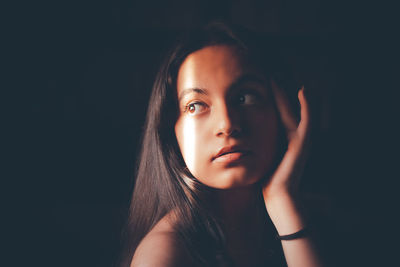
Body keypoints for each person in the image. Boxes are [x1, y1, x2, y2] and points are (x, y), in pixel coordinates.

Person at [119, 21, 323, 267]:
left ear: (283, 111)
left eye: (244, 97)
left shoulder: (322, 221)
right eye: (195, 105)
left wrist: (283, 203)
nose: (227, 124)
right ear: (170, 130)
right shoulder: (164, 255)